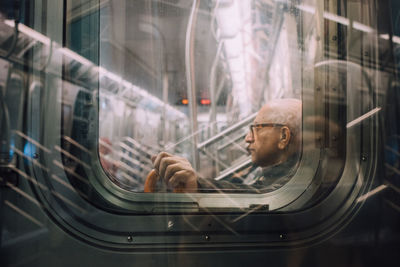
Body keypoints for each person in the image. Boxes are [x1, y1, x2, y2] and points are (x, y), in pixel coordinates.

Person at [149, 98, 302, 193]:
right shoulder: (273, 172)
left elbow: (254, 197)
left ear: (283, 136)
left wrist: (197, 185)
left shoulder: (292, 187)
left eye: (256, 128)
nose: (248, 139)